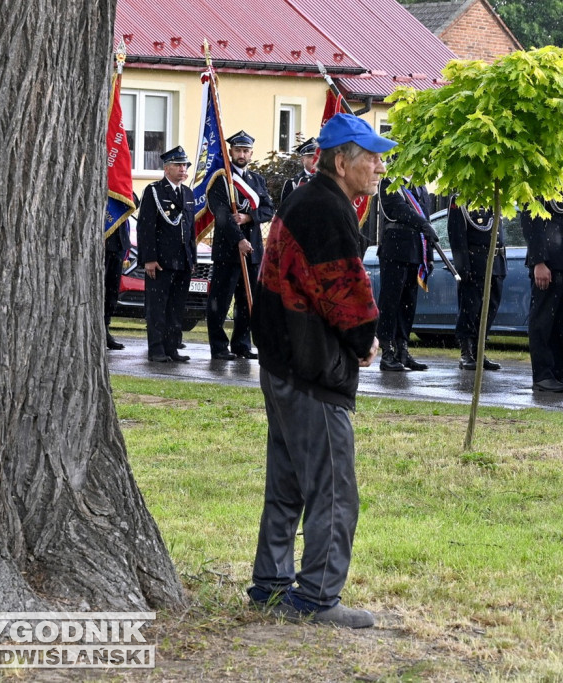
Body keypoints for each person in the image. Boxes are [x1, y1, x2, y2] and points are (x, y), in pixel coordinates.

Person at [247, 113, 389, 628]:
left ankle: (270, 583)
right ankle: (316, 598)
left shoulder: (305, 200)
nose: (378, 165)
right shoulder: (328, 210)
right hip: (312, 370)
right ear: (339, 161)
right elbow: (345, 291)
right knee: (333, 489)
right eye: (369, 156)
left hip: (285, 363)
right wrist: (363, 339)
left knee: (286, 482)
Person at [205, 130, 276, 361]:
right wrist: (239, 240)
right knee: (220, 301)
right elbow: (222, 215)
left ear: (251, 154)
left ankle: (242, 344)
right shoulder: (221, 180)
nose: (242, 154)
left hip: (253, 251)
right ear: (231, 152)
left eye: (246, 151)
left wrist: (249, 218)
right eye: (238, 150)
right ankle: (218, 346)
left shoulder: (257, 180)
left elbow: (268, 209)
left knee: (247, 302)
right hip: (228, 251)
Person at [521, 187, 563, 392]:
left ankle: (558, 371)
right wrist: (538, 260)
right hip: (549, 262)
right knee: (543, 321)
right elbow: (531, 221)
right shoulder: (540, 176)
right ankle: (542, 375)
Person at [138, 146, 196, 363]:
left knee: (176, 307)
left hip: (182, 260)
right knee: (157, 306)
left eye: (185, 166)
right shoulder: (154, 191)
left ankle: (172, 347)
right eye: (178, 165)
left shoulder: (187, 193)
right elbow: (146, 227)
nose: (183, 169)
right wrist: (149, 258)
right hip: (161, 260)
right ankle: (156, 349)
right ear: (167, 168)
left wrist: (192, 259)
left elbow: (191, 230)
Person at [374, 176, 439, 371]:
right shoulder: (389, 182)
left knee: (408, 306)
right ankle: (387, 352)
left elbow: (425, 220)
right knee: (390, 303)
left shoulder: (419, 186)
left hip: (415, 251)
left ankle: (403, 350)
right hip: (395, 249)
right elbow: (398, 210)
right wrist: (423, 224)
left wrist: (429, 256)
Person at [447, 199, 505, 371]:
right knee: (469, 309)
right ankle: (466, 353)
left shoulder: (494, 196)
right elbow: (456, 235)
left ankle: (479, 351)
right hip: (475, 262)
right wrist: (463, 267)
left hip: (496, 263)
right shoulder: (462, 198)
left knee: (489, 310)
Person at [104, 194, 135, 351]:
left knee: (111, 291)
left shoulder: (118, 181)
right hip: (102, 241)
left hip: (118, 241)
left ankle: (105, 328)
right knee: (99, 291)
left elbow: (133, 200)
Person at [280, 138, 316, 204]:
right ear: (302, 160)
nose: (315, 160)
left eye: (318, 156)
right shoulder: (293, 183)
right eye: (311, 156)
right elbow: (285, 211)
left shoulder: (331, 180)